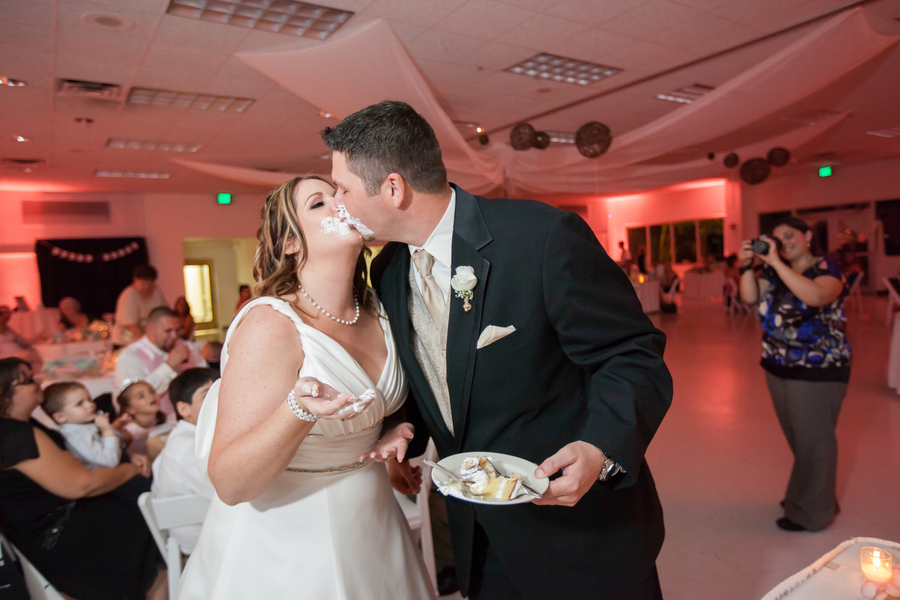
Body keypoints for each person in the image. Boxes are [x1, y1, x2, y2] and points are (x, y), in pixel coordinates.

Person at [323, 101, 672, 600]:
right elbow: (442, 376)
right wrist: (409, 433)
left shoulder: (541, 238)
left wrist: (600, 448)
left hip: (577, 532)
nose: (338, 202)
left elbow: (631, 354)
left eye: (343, 189)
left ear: (393, 188)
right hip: (479, 542)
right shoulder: (389, 269)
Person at [176, 176, 436, 600]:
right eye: (319, 203)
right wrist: (299, 410)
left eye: (339, 193)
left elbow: (381, 397)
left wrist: (394, 432)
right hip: (287, 541)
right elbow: (231, 484)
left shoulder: (380, 310)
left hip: (372, 521)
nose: (340, 203)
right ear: (290, 244)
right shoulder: (271, 324)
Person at [0, 357, 163, 600]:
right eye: (29, 380)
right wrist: (128, 469)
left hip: (60, 516)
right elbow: (81, 485)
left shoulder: (20, 426)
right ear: (6, 394)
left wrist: (125, 456)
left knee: (142, 499)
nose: (38, 383)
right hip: (51, 534)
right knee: (142, 513)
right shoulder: (14, 436)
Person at [739, 216, 851, 532]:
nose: (783, 243)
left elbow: (815, 296)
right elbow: (749, 297)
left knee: (814, 440)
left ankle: (812, 513)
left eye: (789, 236)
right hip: (777, 365)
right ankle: (821, 495)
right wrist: (747, 266)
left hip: (819, 368)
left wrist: (775, 260)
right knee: (801, 439)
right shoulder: (773, 273)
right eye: (776, 239)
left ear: (807, 236)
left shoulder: (827, 268)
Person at [151, 367, 218, 555]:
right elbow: (226, 492)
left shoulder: (191, 437)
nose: (219, 399)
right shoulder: (188, 448)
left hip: (209, 525)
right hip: (202, 538)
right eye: (207, 395)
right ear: (183, 409)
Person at [114, 305, 207, 418]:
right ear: (150, 329)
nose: (174, 336)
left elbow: (207, 380)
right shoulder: (130, 356)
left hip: (193, 419)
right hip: (156, 425)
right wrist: (169, 366)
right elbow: (134, 402)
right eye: (168, 331)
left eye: (178, 330)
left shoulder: (187, 347)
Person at [41, 381, 132, 468]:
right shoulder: (77, 436)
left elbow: (112, 446)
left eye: (89, 399)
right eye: (80, 404)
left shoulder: (83, 425)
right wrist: (107, 430)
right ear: (60, 417)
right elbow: (110, 462)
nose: (90, 405)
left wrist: (115, 428)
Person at [111, 264, 168, 346]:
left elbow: (163, 313)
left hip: (146, 340)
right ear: (135, 280)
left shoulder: (156, 292)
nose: (148, 287)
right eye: (144, 282)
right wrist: (148, 344)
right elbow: (131, 326)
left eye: (151, 283)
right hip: (126, 342)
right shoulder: (129, 295)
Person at [117, 380, 173, 459]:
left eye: (152, 391)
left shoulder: (168, 420)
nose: (151, 396)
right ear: (130, 409)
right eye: (141, 396)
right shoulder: (129, 433)